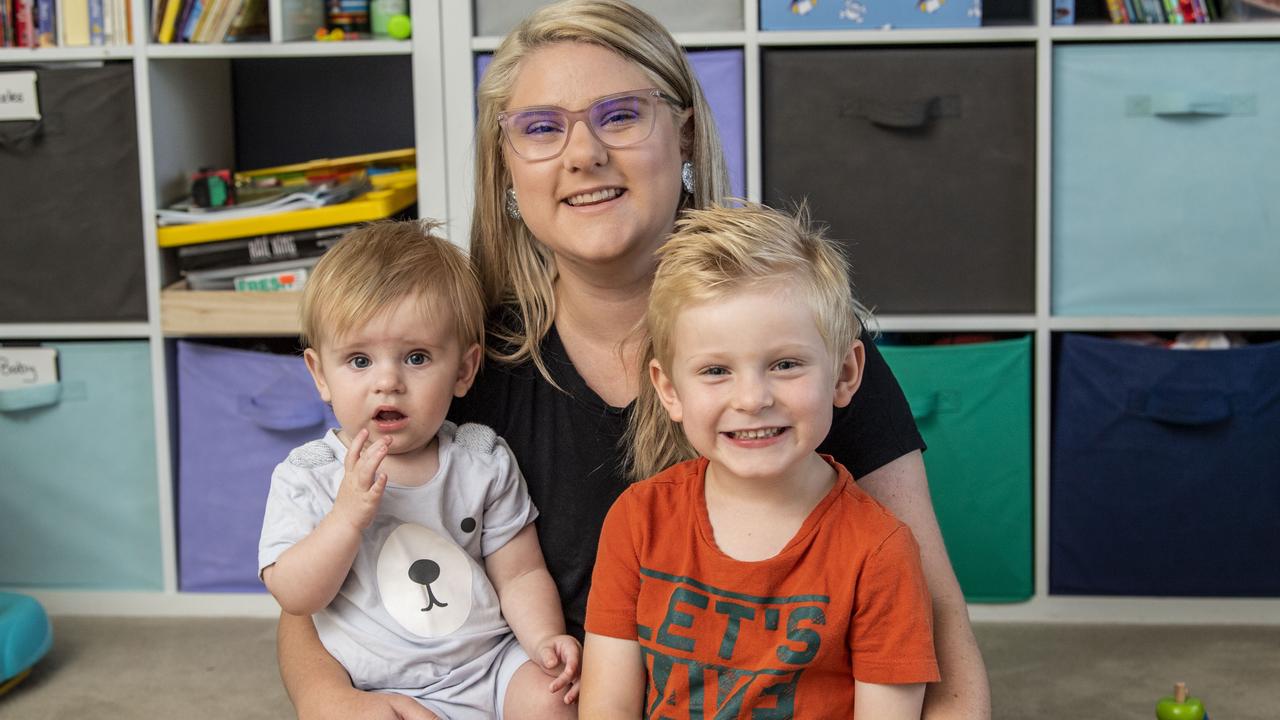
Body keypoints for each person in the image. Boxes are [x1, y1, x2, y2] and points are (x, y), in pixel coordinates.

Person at [276, 2, 991, 718]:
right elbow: (331, 581)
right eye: (542, 128)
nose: (583, 154)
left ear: (682, 133)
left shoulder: (804, 351)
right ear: (506, 167)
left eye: (619, 115)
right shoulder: (455, 363)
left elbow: (929, 606)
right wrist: (327, 699)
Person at [581, 203, 940, 718]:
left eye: (785, 364)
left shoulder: (880, 552)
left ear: (844, 375)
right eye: (715, 371)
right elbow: (606, 708)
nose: (752, 399)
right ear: (668, 390)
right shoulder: (638, 520)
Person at [258, 221, 580, 720]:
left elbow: (520, 573)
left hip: (487, 667)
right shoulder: (310, 475)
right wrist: (345, 519)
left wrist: (544, 640)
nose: (388, 382)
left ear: (464, 371)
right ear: (320, 374)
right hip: (375, 685)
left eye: (416, 357)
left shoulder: (482, 460)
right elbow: (296, 597)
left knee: (554, 699)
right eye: (359, 360)